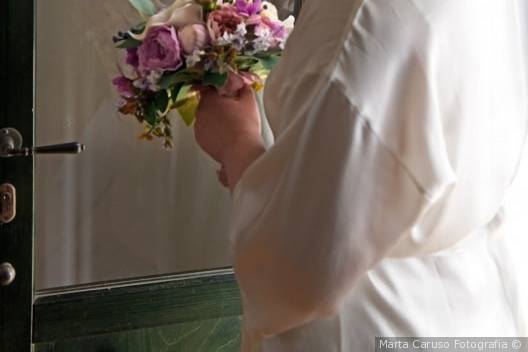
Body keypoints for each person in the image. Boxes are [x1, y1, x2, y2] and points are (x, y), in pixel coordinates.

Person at [195, 0, 528, 351]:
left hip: (374, 317)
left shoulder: (360, 16)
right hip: (471, 300)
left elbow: (301, 263)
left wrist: (237, 145)